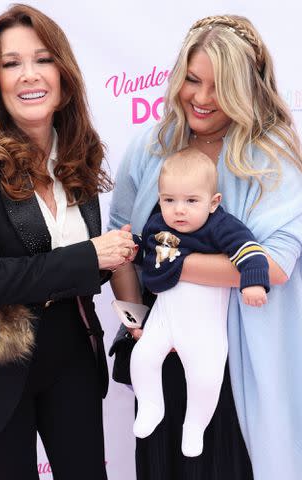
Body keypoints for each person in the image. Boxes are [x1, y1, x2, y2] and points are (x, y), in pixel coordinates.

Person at [0, 4, 135, 480]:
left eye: (42, 58)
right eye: (11, 63)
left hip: (70, 352)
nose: (29, 74)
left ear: (63, 73)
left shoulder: (78, 154)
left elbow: (90, 267)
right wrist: (92, 254)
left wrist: (136, 295)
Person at [109, 14, 302, 480]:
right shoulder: (152, 143)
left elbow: (274, 264)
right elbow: (121, 237)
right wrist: (137, 318)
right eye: (192, 80)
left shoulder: (270, 155)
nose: (200, 97)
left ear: (247, 88)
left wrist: (168, 261)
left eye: (219, 87)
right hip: (161, 345)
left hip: (238, 357)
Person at [130, 148, 269, 457]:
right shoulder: (157, 225)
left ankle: (195, 425)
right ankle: (151, 404)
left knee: (206, 377)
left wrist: (254, 280)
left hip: (204, 326)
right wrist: (133, 249)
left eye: (191, 201)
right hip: (164, 316)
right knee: (142, 358)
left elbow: (250, 251)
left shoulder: (220, 227)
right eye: (169, 200)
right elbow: (152, 257)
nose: (179, 210)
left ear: (213, 201)